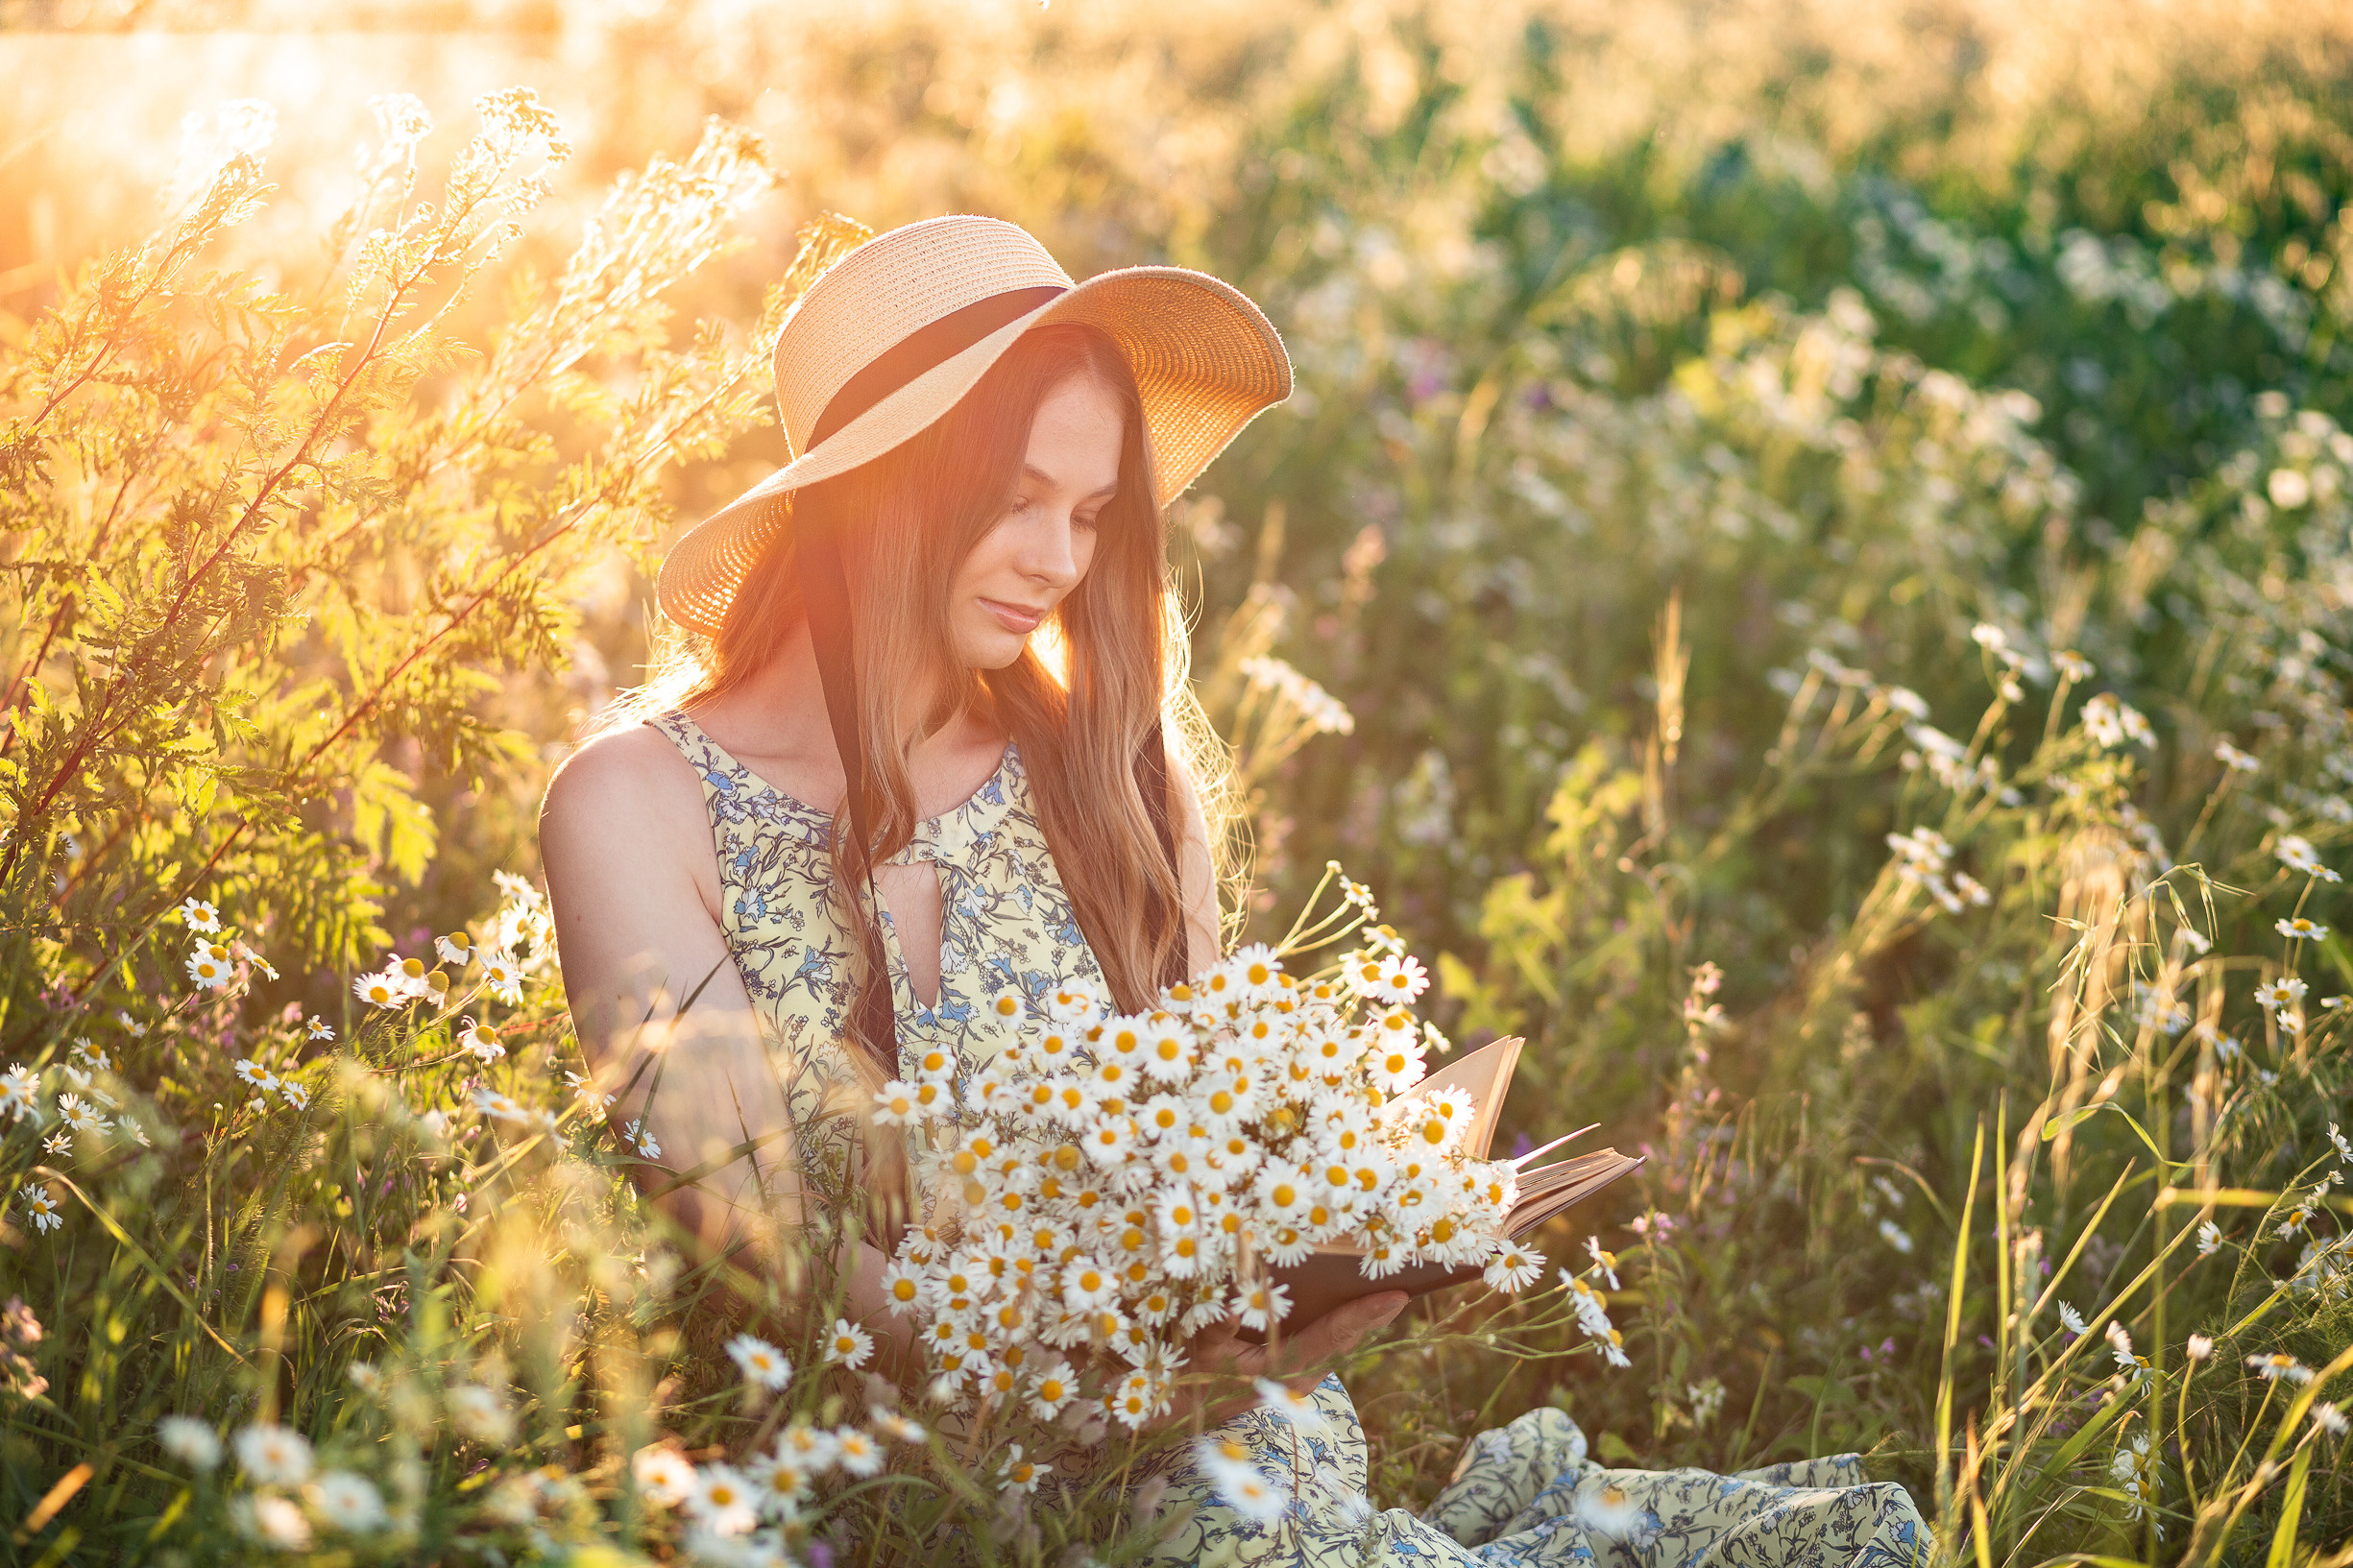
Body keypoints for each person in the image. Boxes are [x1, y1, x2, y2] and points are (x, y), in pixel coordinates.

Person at [540, 215, 1930, 1566]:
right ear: (876, 487)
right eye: (1016, 498)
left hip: (1202, 1451)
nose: (1058, 560)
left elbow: (1203, 1152)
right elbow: (760, 1246)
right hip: (868, 1490)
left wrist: (1309, 1263)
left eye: (1089, 514)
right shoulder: (638, 806)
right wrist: (1090, 1392)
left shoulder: (1110, 777)